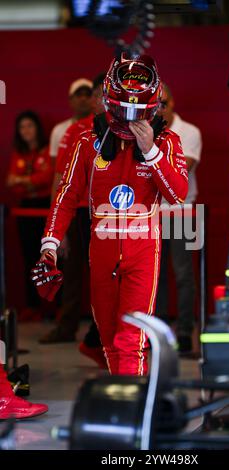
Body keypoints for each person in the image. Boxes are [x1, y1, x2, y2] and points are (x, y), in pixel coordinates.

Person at [33, 54, 188, 376]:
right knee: (107, 338)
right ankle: (123, 405)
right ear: (108, 103)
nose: (130, 117)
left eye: (139, 110)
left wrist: (151, 153)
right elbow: (65, 196)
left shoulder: (167, 141)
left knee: (131, 339)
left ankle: (133, 411)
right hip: (101, 250)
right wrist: (50, 244)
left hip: (144, 249)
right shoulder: (87, 141)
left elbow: (177, 195)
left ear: (154, 106)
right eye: (124, 108)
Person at [39, 74, 107, 369]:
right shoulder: (77, 131)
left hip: (120, 216)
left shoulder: (136, 128)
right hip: (82, 213)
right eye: (102, 95)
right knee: (82, 275)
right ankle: (88, 336)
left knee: (112, 279)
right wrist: (58, 231)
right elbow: (60, 181)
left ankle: (103, 339)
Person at [39, 78, 93, 343]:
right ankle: (67, 326)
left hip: (109, 211)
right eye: (81, 95)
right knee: (71, 270)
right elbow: (60, 176)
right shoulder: (73, 131)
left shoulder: (124, 127)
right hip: (77, 211)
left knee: (109, 274)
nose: (88, 100)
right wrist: (56, 226)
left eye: (91, 94)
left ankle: (105, 331)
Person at [155, 83, 202, 353]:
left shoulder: (190, 131)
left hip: (183, 210)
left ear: (172, 102)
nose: (161, 108)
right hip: (152, 211)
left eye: (165, 103)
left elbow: (183, 171)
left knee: (183, 273)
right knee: (155, 275)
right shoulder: (148, 130)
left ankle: (185, 331)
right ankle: (158, 330)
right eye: (157, 104)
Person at [7, 111, 53, 321]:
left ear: (37, 128)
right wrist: (31, 183)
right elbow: (10, 183)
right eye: (22, 127)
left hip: (46, 207)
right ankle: (32, 306)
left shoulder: (47, 150)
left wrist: (24, 181)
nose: (26, 131)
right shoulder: (19, 153)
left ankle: (54, 306)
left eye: (30, 126)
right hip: (25, 209)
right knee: (29, 258)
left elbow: (48, 177)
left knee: (51, 258)